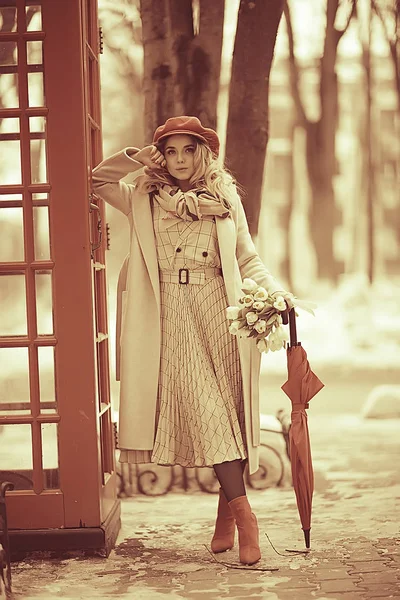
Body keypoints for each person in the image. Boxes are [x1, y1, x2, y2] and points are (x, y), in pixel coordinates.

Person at [92, 116, 293, 565]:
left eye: (189, 150)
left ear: (204, 152)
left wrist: (276, 292)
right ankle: (246, 519)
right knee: (210, 414)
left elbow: (246, 256)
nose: (180, 160)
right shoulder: (143, 193)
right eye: (172, 151)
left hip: (221, 312)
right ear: (161, 153)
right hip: (170, 315)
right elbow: (97, 179)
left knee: (232, 415)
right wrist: (139, 159)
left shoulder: (224, 198)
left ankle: (226, 516)